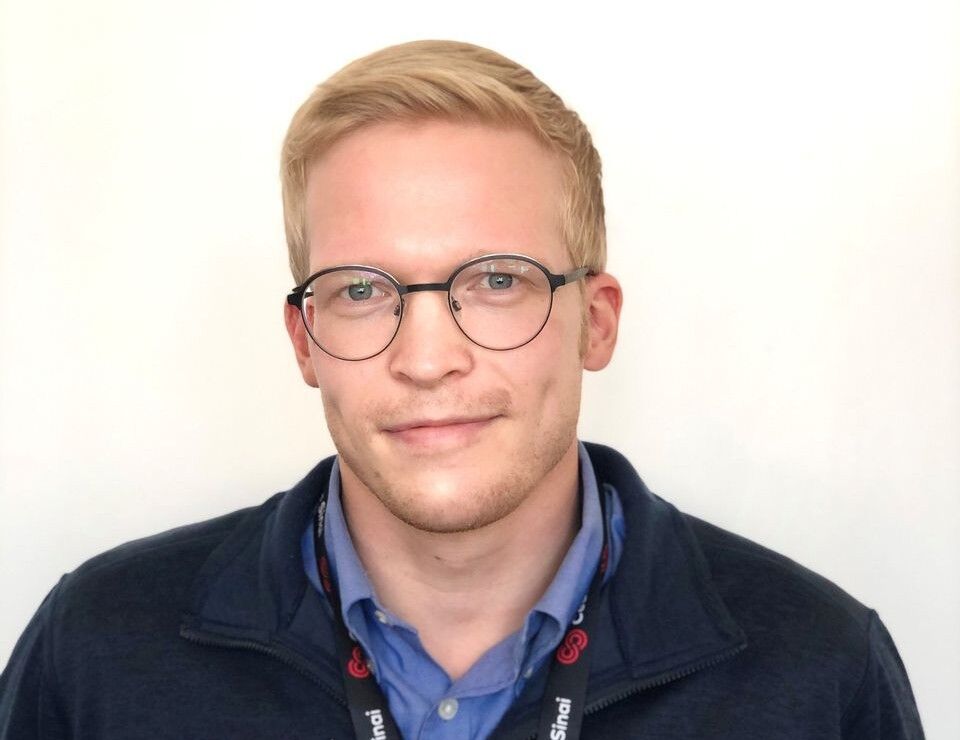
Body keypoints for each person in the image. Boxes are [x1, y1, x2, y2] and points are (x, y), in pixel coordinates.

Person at [0, 40, 924, 740]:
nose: (428, 358)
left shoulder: (820, 671)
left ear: (596, 323)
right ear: (305, 340)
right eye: (362, 291)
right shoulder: (96, 652)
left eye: (496, 281)